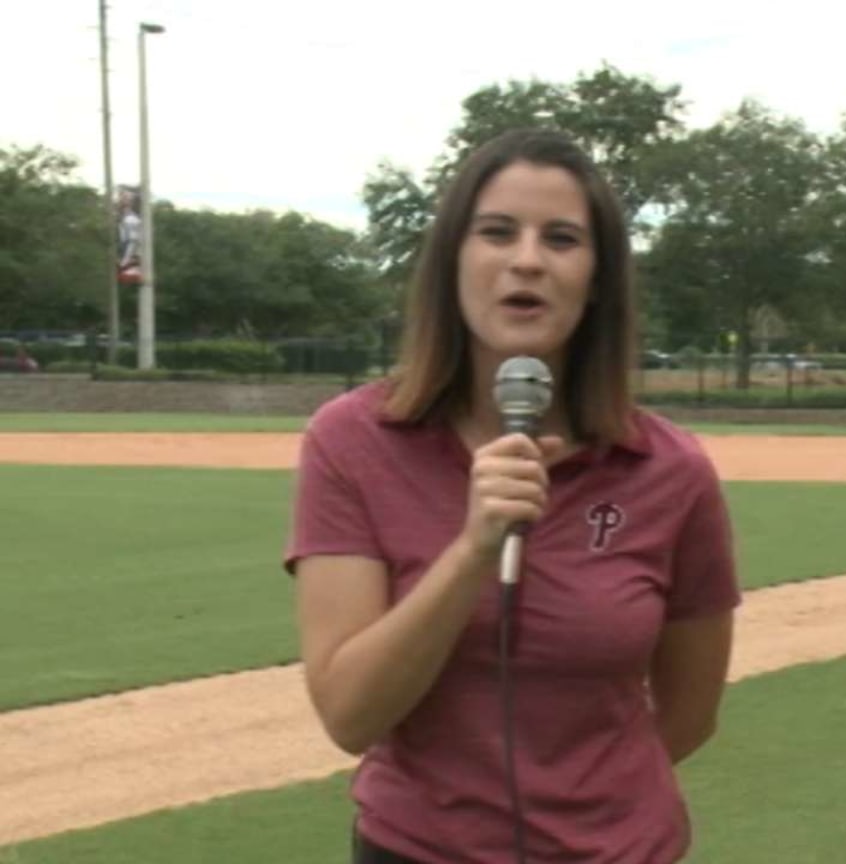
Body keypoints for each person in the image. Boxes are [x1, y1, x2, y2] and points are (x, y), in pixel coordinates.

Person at [284, 128, 739, 863]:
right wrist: (472, 550)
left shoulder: (671, 470)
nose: (526, 259)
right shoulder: (353, 441)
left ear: (596, 278)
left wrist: (594, 814)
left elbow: (690, 712)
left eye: (561, 239)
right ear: (453, 261)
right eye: (497, 233)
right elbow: (348, 713)